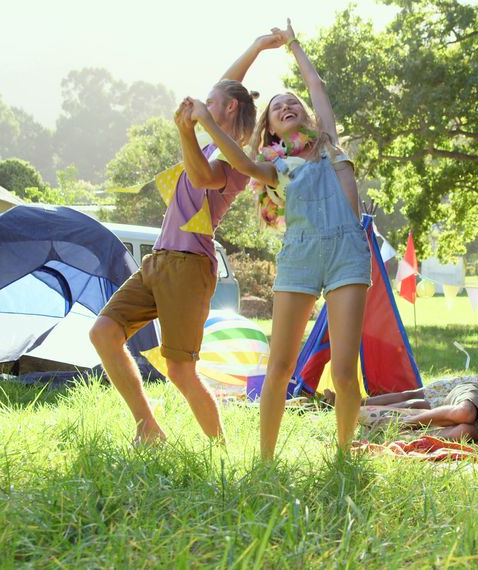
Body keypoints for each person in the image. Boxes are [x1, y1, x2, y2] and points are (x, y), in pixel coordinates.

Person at [189, 20, 369, 460]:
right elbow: (243, 165)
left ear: (306, 116)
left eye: (293, 103)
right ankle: (265, 461)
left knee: (344, 373)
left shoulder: (329, 145)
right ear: (270, 130)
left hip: (348, 253)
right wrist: (208, 123)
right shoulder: (276, 166)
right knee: (280, 366)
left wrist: (293, 45)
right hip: (300, 257)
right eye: (277, 106)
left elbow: (316, 83)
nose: (287, 105)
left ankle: (345, 456)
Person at [89, 35, 281, 445]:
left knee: (179, 369)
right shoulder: (213, 133)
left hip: (189, 265)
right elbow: (229, 86)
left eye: (210, 104)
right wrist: (258, 46)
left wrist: (185, 131)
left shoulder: (234, 157)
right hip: (159, 260)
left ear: (227, 109)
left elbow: (201, 177)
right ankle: (148, 427)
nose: (201, 107)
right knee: (103, 332)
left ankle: (220, 451)